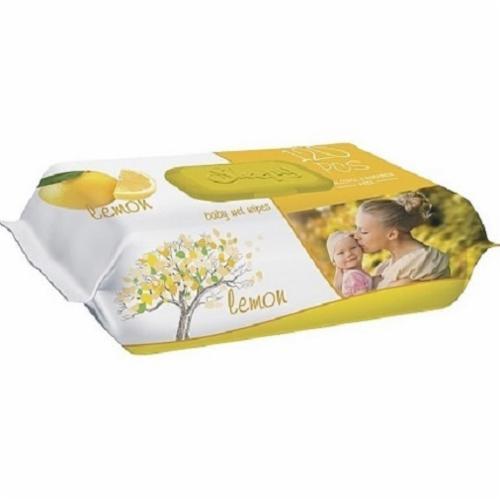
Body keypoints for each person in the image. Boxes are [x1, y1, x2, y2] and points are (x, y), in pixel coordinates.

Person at [335, 191, 450, 290]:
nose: (355, 236)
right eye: (356, 229)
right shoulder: (385, 267)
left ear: (392, 234)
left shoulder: (424, 262)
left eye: (363, 231)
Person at [326, 231, 373, 297]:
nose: (349, 254)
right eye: (341, 253)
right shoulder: (353, 276)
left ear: (360, 248)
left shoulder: (354, 274)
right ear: (334, 261)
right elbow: (365, 298)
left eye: (353, 248)